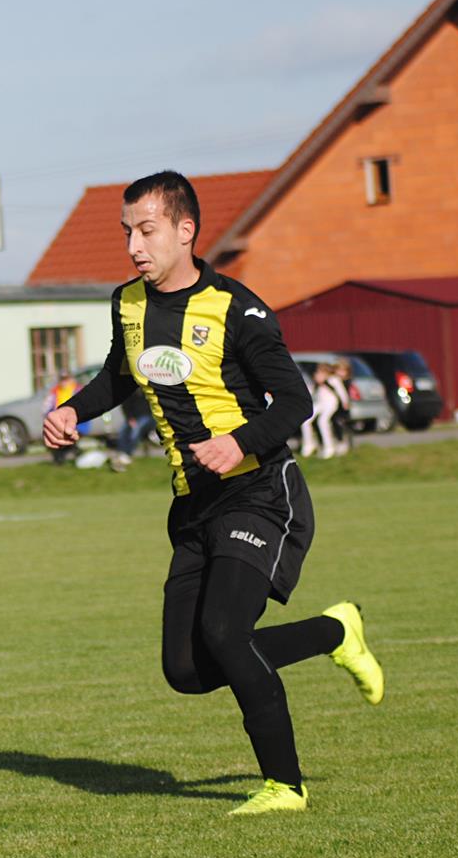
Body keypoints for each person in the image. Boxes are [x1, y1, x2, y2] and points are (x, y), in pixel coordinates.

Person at [42, 170, 384, 816]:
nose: (134, 246)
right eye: (127, 233)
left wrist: (239, 442)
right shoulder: (128, 304)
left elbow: (297, 401)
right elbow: (119, 376)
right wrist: (73, 411)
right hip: (192, 504)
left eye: (146, 231)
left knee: (228, 630)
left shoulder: (237, 308)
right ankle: (335, 630)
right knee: (187, 669)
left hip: (258, 490)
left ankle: (285, 784)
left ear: (185, 230)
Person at [46, 370, 81, 465]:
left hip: (75, 421)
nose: (64, 382)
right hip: (59, 420)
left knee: (66, 436)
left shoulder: (77, 390)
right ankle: (62, 456)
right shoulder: (55, 391)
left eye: (66, 379)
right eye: (62, 379)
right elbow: (47, 407)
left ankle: (67, 454)